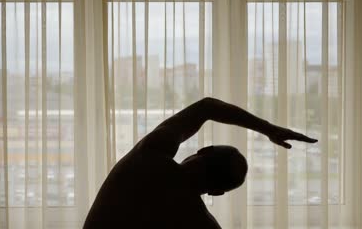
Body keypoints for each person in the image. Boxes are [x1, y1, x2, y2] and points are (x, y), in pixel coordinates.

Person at [83, 97, 317, 229]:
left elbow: (206, 107)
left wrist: (269, 129)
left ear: (203, 149)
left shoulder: (148, 155)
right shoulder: (198, 221)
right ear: (217, 192)